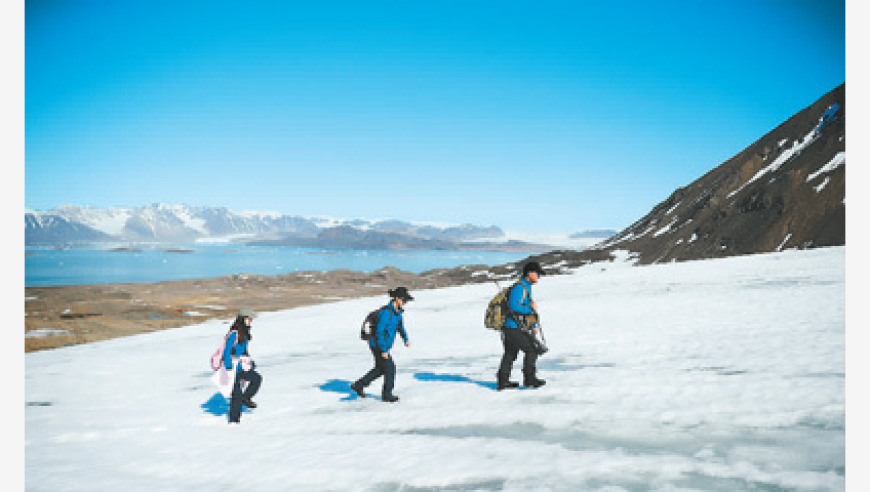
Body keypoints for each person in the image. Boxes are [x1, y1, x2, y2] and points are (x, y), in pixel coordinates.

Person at [350, 287, 413, 402]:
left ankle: (359, 385)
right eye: (404, 300)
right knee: (390, 368)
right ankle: (387, 395)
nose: (405, 303)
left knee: (380, 368)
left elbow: (400, 327)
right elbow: (379, 332)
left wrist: (405, 338)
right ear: (397, 299)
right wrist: (383, 349)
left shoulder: (397, 313)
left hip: (383, 345)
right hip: (377, 344)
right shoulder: (386, 313)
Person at [497, 261, 547, 390]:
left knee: (510, 353)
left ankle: (503, 381)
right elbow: (514, 306)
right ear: (529, 273)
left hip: (512, 326)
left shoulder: (526, 287)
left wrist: (533, 324)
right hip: (513, 327)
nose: (539, 277)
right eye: (537, 274)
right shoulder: (520, 287)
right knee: (532, 350)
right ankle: (529, 379)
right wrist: (530, 309)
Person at [225, 308, 263, 423]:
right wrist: (228, 367)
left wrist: (249, 361)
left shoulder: (244, 333)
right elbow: (226, 352)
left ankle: (246, 398)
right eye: (249, 318)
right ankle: (234, 421)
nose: (251, 321)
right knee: (236, 395)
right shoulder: (234, 334)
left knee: (256, 378)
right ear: (242, 319)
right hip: (232, 368)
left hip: (242, 367)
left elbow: (244, 351)